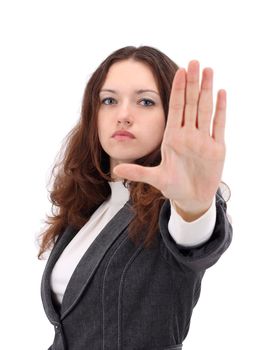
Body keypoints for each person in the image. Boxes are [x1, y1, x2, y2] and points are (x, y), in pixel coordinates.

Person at [39, 46, 233, 350]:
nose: (124, 115)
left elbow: (195, 241)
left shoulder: (175, 205)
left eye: (145, 101)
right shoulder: (92, 204)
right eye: (109, 100)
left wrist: (195, 206)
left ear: (172, 114)